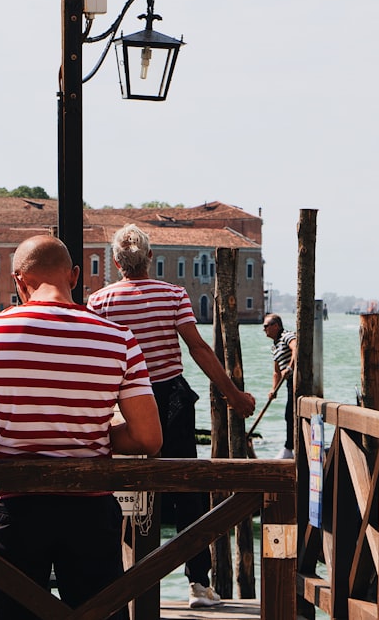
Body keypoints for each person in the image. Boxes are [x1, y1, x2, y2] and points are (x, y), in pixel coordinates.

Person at [0, 234, 162, 620]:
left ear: (17, 280)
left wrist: (9, 433)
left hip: (16, 512)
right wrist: (92, 432)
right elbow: (148, 438)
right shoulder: (119, 339)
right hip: (91, 516)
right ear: (75, 276)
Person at [86, 223, 256, 609]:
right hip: (170, 401)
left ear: (115, 262)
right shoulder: (173, 295)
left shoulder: (100, 301)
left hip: (121, 402)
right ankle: (199, 584)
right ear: (150, 257)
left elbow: (94, 356)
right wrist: (233, 395)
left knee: (116, 488)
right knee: (186, 489)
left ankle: (115, 582)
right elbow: (198, 348)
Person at [263, 313, 297, 459]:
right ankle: (290, 447)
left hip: (296, 379)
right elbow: (276, 371)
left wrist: (290, 367)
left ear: (276, 326)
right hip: (288, 381)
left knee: (291, 413)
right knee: (288, 414)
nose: (264, 329)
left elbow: (296, 348)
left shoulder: (287, 336)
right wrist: (273, 389)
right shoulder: (275, 345)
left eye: (266, 326)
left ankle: (290, 448)